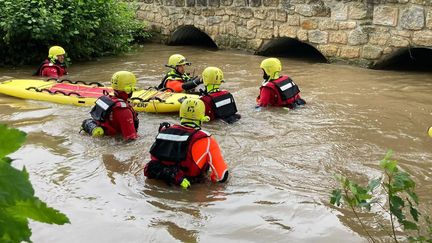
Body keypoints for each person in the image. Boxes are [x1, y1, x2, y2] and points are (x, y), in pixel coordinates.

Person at [144, 98, 229, 189]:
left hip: (158, 181)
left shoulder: (164, 131)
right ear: (203, 118)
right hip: (188, 188)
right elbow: (221, 177)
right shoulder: (206, 139)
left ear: (180, 114)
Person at [81, 71, 139, 141]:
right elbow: (131, 138)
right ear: (128, 89)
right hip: (113, 143)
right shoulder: (124, 111)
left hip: (104, 137)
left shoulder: (107, 99)